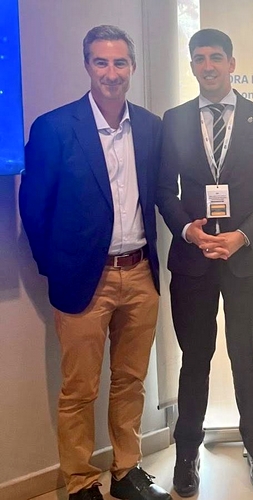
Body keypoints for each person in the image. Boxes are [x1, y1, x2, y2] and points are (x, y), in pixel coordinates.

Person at [19, 25, 170, 500]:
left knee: (131, 381)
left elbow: (160, 196)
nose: (111, 72)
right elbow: (34, 209)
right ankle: (81, 481)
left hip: (141, 274)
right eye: (101, 62)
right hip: (86, 279)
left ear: (132, 67)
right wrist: (60, 267)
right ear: (87, 65)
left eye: (120, 62)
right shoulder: (54, 127)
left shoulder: (150, 127)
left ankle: (126, 471)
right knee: (79, 389)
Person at [157, 28, 253, 496]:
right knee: (195, 359)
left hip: (244, 260)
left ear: (232, 64)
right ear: (192, 65)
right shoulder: (174, 120)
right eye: (200, 58)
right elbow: (163, 191)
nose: (208, 66)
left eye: (216, 57)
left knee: (244, 357)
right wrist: (188, 231)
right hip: (192, 262)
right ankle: (187, 452)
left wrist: (242, 237)